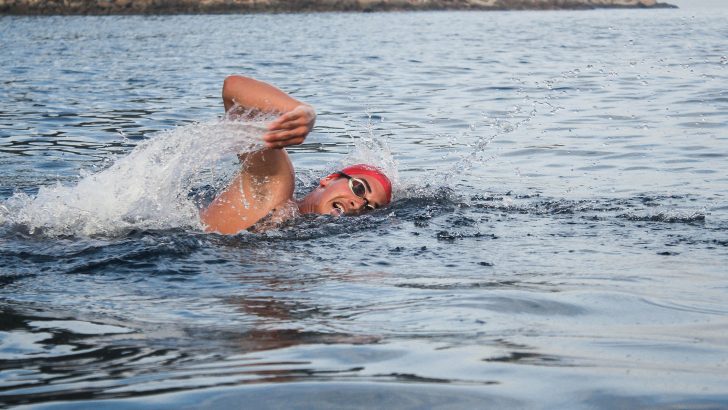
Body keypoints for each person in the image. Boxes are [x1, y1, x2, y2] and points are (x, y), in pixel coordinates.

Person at [200, 75, 393, 234]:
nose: (358, 203)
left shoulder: (301, 230)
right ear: (329, 179)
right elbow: (233, 87)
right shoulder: (276, 189)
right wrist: (301, 111)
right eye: (358, 188)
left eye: (369, 208)